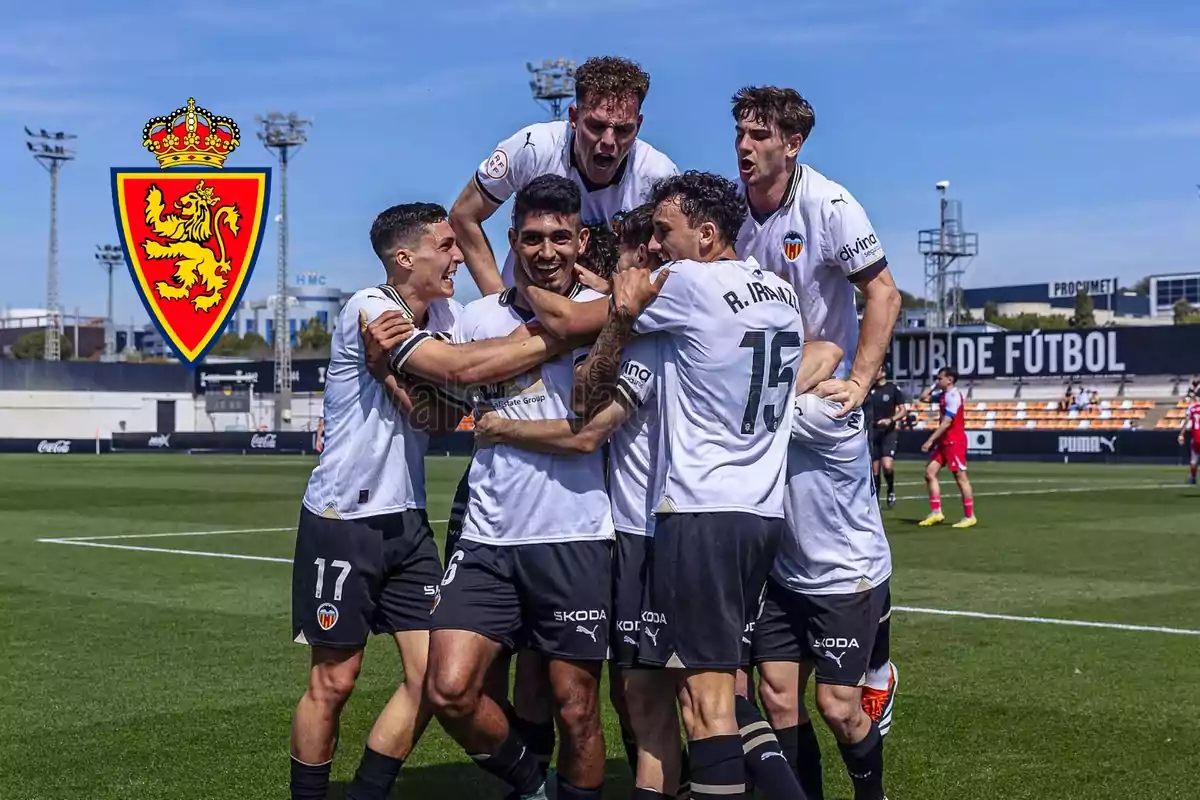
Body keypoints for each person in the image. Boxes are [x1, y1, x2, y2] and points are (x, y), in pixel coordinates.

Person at [290, 202, 581, 800]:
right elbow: (460, 367)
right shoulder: (370, 307)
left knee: (432, 682)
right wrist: (561, 334)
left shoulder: (442, 312)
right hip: (343, 517)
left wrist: (395, 376)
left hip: (408, 520)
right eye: (446, 247)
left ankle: (378, 792)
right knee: (334, 681)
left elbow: (447, 417)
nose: (458, 258)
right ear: (405, 258)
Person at [580, 170, 805, 800]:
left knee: (705, 704)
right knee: (719, 688)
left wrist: (615, 295)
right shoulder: (780, 292)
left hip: (700, 514)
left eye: (665, 231)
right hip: (762, 514)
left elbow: (598, 311)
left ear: (706, 235)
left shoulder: (689, 283)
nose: (655, 247)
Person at [425, 175, 613, 800]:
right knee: (450, 688)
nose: (547, 250)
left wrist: (503, 425)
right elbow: (442, 395)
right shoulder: (479, 316)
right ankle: (534, 786)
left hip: (576, 534)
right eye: (532, 238)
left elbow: (591, 426)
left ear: (581, 239)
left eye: (561, 237)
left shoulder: (607, 314)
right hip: (488, 535)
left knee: (577, 706)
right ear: (513, 241)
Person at [752, 390, 896, 800]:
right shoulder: (784, 388)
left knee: (837, 707)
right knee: (777, 697)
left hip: (845, 578)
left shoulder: (831, 407)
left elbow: (745, 402)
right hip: (787, 572)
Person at [728, 86, 901, 417]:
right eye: (740, 134)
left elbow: (885, 294)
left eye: (760, 136)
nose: (744, 146)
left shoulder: (831, 206)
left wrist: (859, 383)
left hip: (820, 392)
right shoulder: (726, 206)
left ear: (793, 145)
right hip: (752, 393)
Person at [449, 55, 678, 296]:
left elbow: (680, 259)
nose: (608, 141)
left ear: (639, 126)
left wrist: (612, 294)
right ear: (573, 118)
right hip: (523, 314)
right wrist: (498, 299)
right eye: (596, 126)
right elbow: (463, 215)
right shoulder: (532, 149)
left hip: (606, 314)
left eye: (623, 129)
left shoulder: (657, 175)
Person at [917, 366, 976, 528]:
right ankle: (936, 512)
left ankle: (969, 516)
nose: (937, 380)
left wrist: (930, 440)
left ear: (950, 379)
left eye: (940, 378)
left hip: (954, 442)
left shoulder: (953, 396)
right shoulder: (943, 395)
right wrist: (935, 386)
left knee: (960, 477)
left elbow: (947, 422)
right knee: (930, 473)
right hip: (944, 442)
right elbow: (923, 398)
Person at [865, 366, 907, 508]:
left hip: (888, 432)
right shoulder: (869, 389)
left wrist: (890, 420)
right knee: (874, 469)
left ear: (883, 372)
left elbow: (903, 411)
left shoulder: (893, 389)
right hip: (873, 431)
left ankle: (891, 490)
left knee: (887, 466)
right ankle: (876, 499)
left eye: (877, 370)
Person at [1177, 395, 1200, 484]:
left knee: (1194, 460)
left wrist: (1181, 435)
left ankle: (1193, 478)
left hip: (1196, 437)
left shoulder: (1192, 407)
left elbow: (1186, 421)